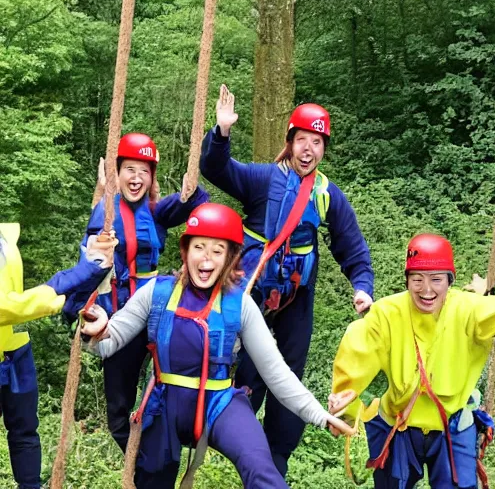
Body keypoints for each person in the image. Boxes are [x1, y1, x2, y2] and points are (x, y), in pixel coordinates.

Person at [81, 203, 355, 489]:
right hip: (165, 404)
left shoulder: (241, 305)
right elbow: (108, 343)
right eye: (199, 247)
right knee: (152, 476)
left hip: (220, 402)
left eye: (217, 250)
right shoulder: (157, 293)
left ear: (230, 258)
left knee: (262, 471)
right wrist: (96, 332)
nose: (206, 259)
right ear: (185, 251)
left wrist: (319, 416)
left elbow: (276, 373)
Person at [199, 85, 374, 475]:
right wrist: (221, 133)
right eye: (302, 140)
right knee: (248, 372)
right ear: (290, 142)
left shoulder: (328, 196)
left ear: (324, 147)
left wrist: (362, 287)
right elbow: (216, 170)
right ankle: (242, 445)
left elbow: (353, 250)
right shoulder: (263, 180)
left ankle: (276, 460)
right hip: (252, 296)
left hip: (297, 298)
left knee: (290, 370)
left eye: (317, 141)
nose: (308, 149)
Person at [329, 233, 495, 489]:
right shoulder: (387, 314)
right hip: (400, 423)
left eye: (436, 279)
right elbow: (357, 352)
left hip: (452, 422)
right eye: (417, 279)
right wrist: (345, 411)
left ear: (449, 282)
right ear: (407, 281)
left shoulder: (468, 310)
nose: (427, 290)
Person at [63, 132, 208, 452]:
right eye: (130, 169)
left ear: (152, 177)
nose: (137, 178)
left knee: (168, 388)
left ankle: (167, 447)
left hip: (155, 315)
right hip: (119, 320)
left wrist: (192, 190)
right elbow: (87, 261)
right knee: (119, 411)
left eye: (144, 171)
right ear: (118, 172)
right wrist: (76, 306)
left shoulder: (156, 211)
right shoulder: (105, 212)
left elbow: (196, 204)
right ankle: (142, 463)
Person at [0, 222, 114, 489]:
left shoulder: (5, 235)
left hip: (13, 351)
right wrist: (70, 279)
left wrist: (88, 274)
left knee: (25, 433)